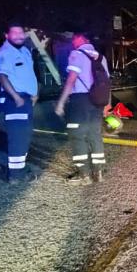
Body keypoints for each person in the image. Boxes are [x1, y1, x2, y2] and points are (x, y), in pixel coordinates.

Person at [54, 32, 110, 185]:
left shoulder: (76, 54)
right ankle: (98, 172)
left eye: (75, 38)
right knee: (95, 135)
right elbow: (106, 82)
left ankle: (84, 175)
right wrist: (107, 104)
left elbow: (71, 80)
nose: (73, 42)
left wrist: (61, 102)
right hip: (98, 100)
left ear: (84, 39)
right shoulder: (100, 57)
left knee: (77, 136)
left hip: (80, 100)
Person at [0, 23, 38, 183]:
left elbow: (29, 74)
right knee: (17, 137)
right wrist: (16, 97)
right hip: (15, 101)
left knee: (25, 136)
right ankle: (16, 175)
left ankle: (19, 168)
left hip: (26, 99)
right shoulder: (5, 53)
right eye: (15, 33)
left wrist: (34, 94)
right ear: (6, 35)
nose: (20, 36)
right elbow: (2, 76)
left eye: (21, 32)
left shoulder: (24, 51)